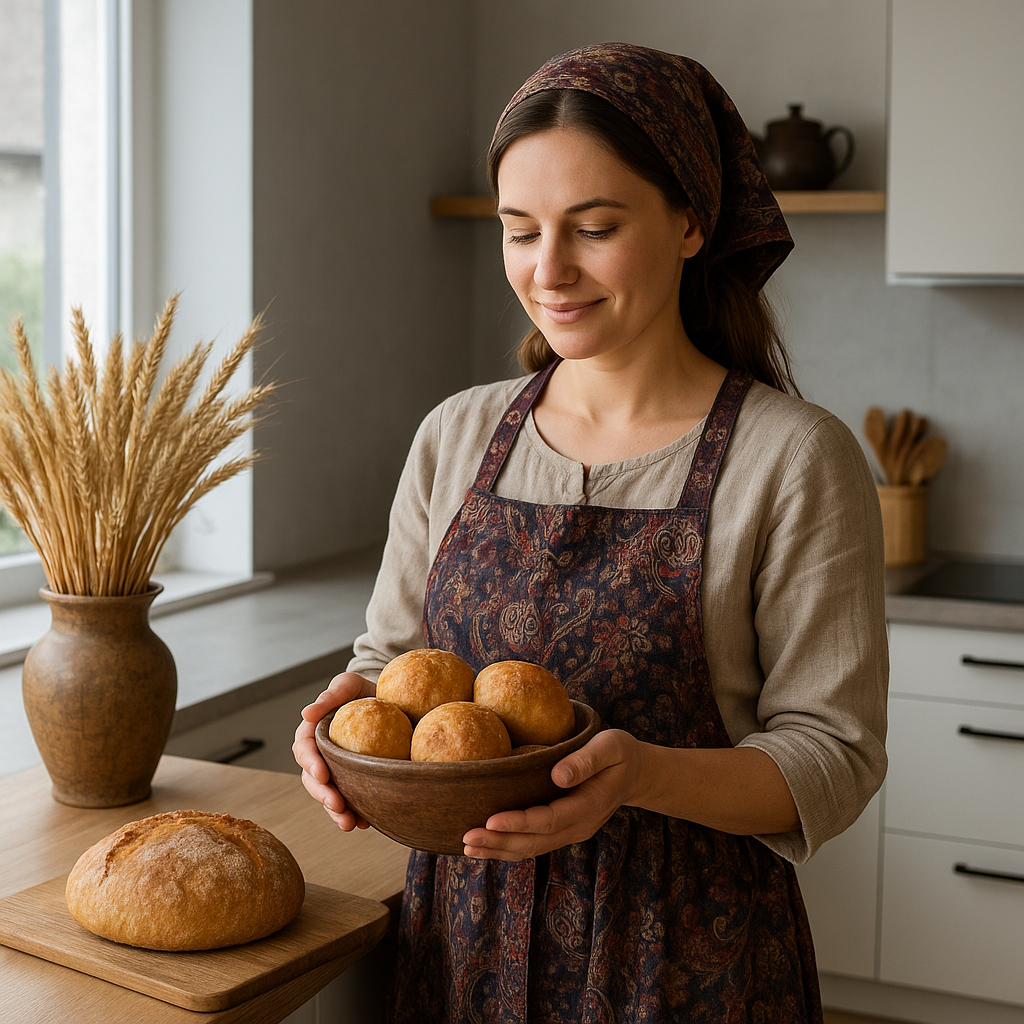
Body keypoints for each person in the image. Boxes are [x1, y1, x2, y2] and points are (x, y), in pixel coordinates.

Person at [293, 42, 888, 1023]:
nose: (548, 269)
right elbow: (392, 660)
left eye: (594, 227)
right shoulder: (457, 435)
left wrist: (637, 774)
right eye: (518, 231)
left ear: (691, 220)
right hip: (464, 938)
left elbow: (832, 759)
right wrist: (346, 724)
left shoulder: (794, 457)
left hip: (689, 952)